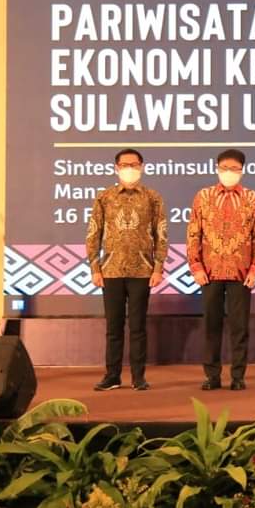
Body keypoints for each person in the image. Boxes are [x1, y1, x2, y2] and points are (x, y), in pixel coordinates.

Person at [85, 148, 167, 392]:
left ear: (142, 167)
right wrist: (95, 268)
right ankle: (112, 376)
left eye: (134, 164)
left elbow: (161, 234)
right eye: (124, 164)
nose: (129, 168)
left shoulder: (152, 197)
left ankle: (138, 377)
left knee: (138, 327)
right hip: (110, 270)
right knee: (114, 328)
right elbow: (93, 233)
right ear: (116, 168)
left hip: (142, 271)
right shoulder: (104, 197)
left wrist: (158, 268)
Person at [187, 149, 255, 391]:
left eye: (234, 169)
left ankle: (238, 376)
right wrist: (196, 266)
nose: (229, 172)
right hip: (209, 273)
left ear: (242, 170)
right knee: (212, 326)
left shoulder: (253, 198)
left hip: (241, 274)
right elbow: (193, 234)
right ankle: (212, 376)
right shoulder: (203, 196)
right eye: (224, 168)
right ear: (217, 168)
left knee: (239, 328)